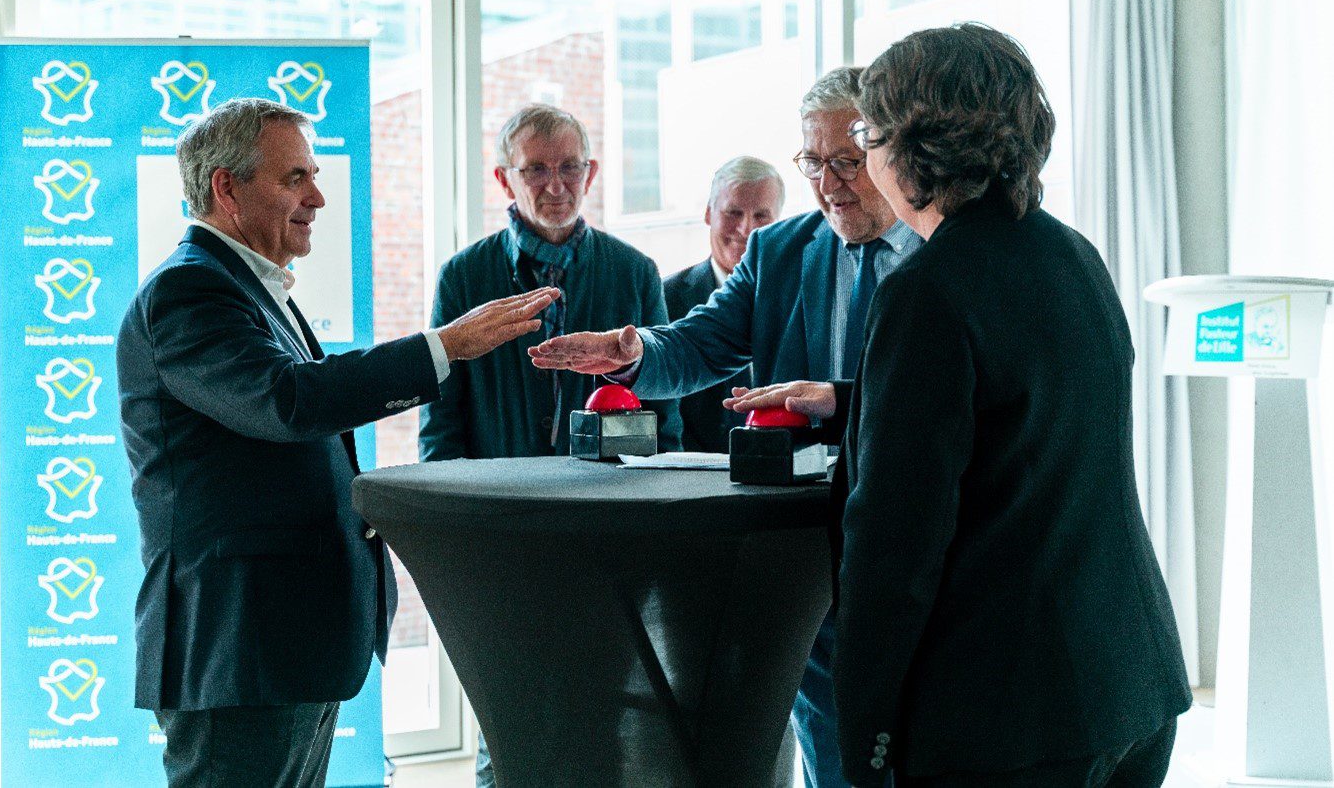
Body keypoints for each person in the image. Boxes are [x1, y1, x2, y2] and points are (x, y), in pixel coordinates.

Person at [729, 24, 1192, 787]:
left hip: (1007, 715)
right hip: (1131, 679)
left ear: (909, 146)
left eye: (867, 134)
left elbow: (894, 542)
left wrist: (866, 736)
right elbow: (1030, 435)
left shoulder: (927, 291)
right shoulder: (1072, 253)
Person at [117, 98, 557, 788]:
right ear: (226, 188)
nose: (317, 197)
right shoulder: (189, 291)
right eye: (294, 178)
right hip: (239, 648)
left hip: (282, 644)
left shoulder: (250, 289)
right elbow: (288, 401)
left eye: (312, 176)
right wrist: (444, 347)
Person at [528, 68, 923, 788]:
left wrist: (837, 399)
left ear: (891, 152)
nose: (829, 183)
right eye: (813, 162)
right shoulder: (781, 253)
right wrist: (635, 352)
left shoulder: (943, 253)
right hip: (806, 545)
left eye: (848, 161)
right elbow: (698, 344)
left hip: (919, 546)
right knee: (830, 741)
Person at [418, 102, 680, 786]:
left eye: (569, 167)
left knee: (603, 714)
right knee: (504, 720)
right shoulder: (463, 278)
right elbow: (441, 425)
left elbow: (665, 421)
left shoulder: (633, 272)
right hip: (498, 536)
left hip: (608, 536)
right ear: (506, 180)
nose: (555, 184)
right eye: (536, 169)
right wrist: (455, 531)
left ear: (591, 173)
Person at [665, 156, 784, 453]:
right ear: (708, 213)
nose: (746, 229)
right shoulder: (665, 297)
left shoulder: (800, 301)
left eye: (761, 216)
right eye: (733, 212)